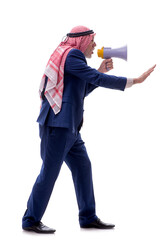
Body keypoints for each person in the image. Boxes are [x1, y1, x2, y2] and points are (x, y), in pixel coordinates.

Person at [22, 25, 156, 234]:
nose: (94, 46)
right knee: (49, 173)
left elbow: (83, 89)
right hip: (58, 126)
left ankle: (88, 217)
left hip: (70, 127)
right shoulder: (73, 55)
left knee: (83, 168)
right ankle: (30, 220)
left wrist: (100, 71)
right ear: (82, 41)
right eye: (92, 41)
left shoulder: (71, 59)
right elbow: (96, 79)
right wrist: (133, 81)